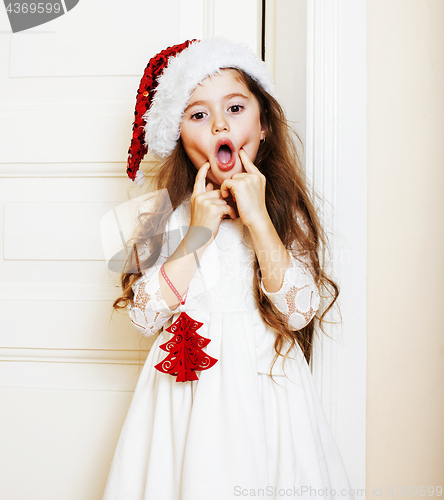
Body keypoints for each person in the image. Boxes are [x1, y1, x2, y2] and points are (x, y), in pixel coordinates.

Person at [103, 38, 354, 500]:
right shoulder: (162, 215)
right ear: (179, 136)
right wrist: (197, 232)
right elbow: (143, 317)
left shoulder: (283, 213)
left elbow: (298, 312)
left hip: (267, 399)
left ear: (263, 127)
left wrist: (257, 220)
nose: (219, 123)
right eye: (198, 114)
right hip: (185, 401)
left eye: (235, 107)